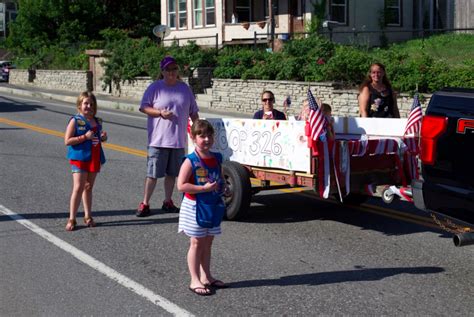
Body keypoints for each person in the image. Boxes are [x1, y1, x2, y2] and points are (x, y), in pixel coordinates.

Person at [137, 56, 200, 217]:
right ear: (162, 71)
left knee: (172, 174)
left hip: (178, 141)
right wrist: (159, 113)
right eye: (168, 69)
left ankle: (167, 201)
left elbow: (193, 112)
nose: (171, 72)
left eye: (174, 69)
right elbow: (143, 107)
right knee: (152, 174)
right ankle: (145, 203)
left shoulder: (184, 89)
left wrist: (198, 130)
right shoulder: (155, 87)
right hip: (158, 140)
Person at [177, 119, 228, 296]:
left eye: (209, 135)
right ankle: (194, 279)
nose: (206, 139)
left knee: (208, 242)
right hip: (195, 207)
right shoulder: (190, 161)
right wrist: (202, 189)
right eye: (202, 136)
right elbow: (181, 185)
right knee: (196, 242)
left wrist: (224, 187)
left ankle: (207, 277)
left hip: (212, 205)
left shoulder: (217, 158)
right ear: (193, 138)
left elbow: (219, 177)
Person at [64, 91, 107, 231]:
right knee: (78, 187)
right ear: (80, 105)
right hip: (80, 158)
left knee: (88, 187)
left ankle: (88, 216)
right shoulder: (75, 120)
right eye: (85, 103)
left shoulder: (98, 121)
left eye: (91, 104)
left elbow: (97, 139)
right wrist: (84, 137)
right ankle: (72, 219)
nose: (88, 106)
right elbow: (67, 140)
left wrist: (103, 137)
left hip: (94, 157)